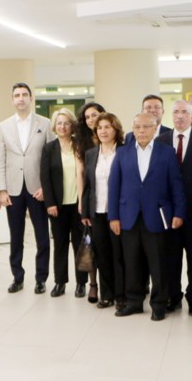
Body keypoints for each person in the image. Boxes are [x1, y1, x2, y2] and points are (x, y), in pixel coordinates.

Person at [108, 113, 185, 321]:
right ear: (133, 129)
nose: (141, 131)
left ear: (155, 128)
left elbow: (176, 185)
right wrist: (113, 217)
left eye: (146, 127)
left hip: (158, 216)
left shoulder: (166, 152)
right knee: (132, 262)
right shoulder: (122, 152)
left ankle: (159, 304)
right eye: (137, 127)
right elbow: (114, 186)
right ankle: (134, 302)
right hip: (128, 216)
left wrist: (179, 212)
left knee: (158, 263)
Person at [156, 100, 192, 316]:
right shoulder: (161, 141)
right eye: (176, 112)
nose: (179, 116)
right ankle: (174, 297)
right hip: (169, 213)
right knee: (171, 259)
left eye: (184, 112)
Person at [0, 83, 54, 294]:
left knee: (42, 237)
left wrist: (46, 187)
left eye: (24, 95)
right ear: (12, 99)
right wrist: (2, 190)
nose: (20, 98)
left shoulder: (45, 124)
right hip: (13, 189)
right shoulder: (4, 126)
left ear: (31, 98)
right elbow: (0, 160)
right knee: (16, 236)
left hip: (37, 189)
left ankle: (41, 278)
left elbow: (51, 159)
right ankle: (17, 277)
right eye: (17, 95)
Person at [80, 112, 126, 309]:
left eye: (107, 127)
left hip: (119, 213)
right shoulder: (91, 154)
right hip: (97, 212)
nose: (103, 131)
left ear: (116, 129)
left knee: (120, 255)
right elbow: (88, 185)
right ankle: (107, 295)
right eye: (99, 128)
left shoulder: (124, 151)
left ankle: (121, 295)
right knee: (102, 256)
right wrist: (85, 212)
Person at [40, 109, 86, 298]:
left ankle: (81, 283)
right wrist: (49, 203)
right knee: (60, 245)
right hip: (57, 206)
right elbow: (45, 177)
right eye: (59, 123)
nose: (62, 126)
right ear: (54, 126)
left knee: (79, 245)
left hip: (78, 205)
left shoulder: (80, 145)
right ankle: (60, 282)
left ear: (72, 125)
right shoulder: (49, 148)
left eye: (66, 123)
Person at [74, 102, 106, 302]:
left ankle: (111, 285)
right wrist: (81, 201)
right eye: (87, 117)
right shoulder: (82, 141)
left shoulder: (111, 136)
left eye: (94, 115)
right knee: (91, 244)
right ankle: (93, 285)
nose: (91, 119)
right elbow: (80, 172)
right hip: (90, 197)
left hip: (108, 198)